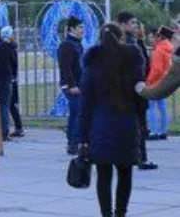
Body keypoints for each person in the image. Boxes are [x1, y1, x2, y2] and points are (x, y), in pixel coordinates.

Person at [81, 23, 146, 217]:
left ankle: (106, 214)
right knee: (125, 172)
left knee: (103, 174)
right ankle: (120, 213)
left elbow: (86, 104)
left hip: (101, 124)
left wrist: (83, 135)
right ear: (122, 38)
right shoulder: (132, 61)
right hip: (127, 123)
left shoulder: (93, 63)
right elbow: (140, 94)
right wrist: (141, 122)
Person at [116, 12, 156, 170]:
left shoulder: (133, 41)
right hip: (129, 90)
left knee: (139, 125)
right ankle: (137, 157)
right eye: (133, 23)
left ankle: (139, 157)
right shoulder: (120, 42)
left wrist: (140, 40)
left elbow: (145, 63)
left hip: (138, 88)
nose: (136, 26)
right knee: (133, 125)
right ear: (123, 24)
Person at [59, 16, 86, 154]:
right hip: (71, 86)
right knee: (76, 113)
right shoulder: (67, 45)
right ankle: (73, 143)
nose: (83, 30)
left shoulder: (77, 43)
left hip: (79, 85)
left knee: (77, 113)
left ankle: (76, 141)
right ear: (71, 29)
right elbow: (66, 67)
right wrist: (72, 85)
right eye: (80, 27)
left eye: (83, 27)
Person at [146, 26, 173, 139]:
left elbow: (157, 69)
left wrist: (149, 81)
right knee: (162, 107)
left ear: (158, 37)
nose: (150, 40)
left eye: (151, 37)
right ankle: (163, 130)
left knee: (150, 107)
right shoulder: (168, 48)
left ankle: (153, 131)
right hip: (165, 81)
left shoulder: (159, 50)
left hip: (155, 82)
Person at [0, 26, 24, 137]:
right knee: (11, 104)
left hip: (8, 78)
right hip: (12, 78)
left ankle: (17, 127)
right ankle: (18, 127)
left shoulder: (6, 48)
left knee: (9, 104)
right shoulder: (11, 47)